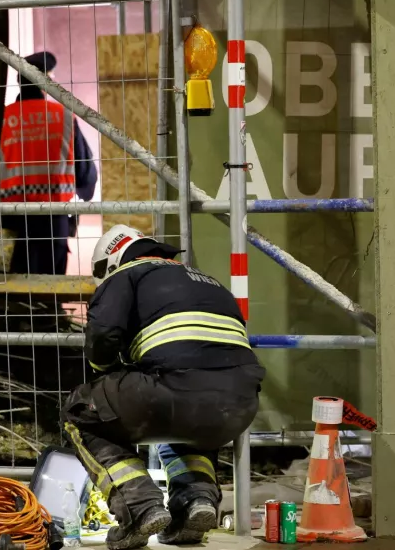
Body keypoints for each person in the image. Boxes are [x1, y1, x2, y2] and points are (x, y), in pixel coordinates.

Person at [61, 225, 265, 550]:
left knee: (82, 411)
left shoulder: (126, 274)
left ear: (112, 261)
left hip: (173, 393)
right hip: (238, 407)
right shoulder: (204, 279)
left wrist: (109, 378)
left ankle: (139, 508)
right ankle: (195, 502)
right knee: (186, 420)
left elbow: (102, 338)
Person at [0, 51, 98, 275]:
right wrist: (85, 191)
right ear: (46, 83)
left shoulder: (1, 119)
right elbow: (86, 173)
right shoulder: (63, 116)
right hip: (54, 216)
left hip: (12, 217)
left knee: (16, 283)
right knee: (50, 284)